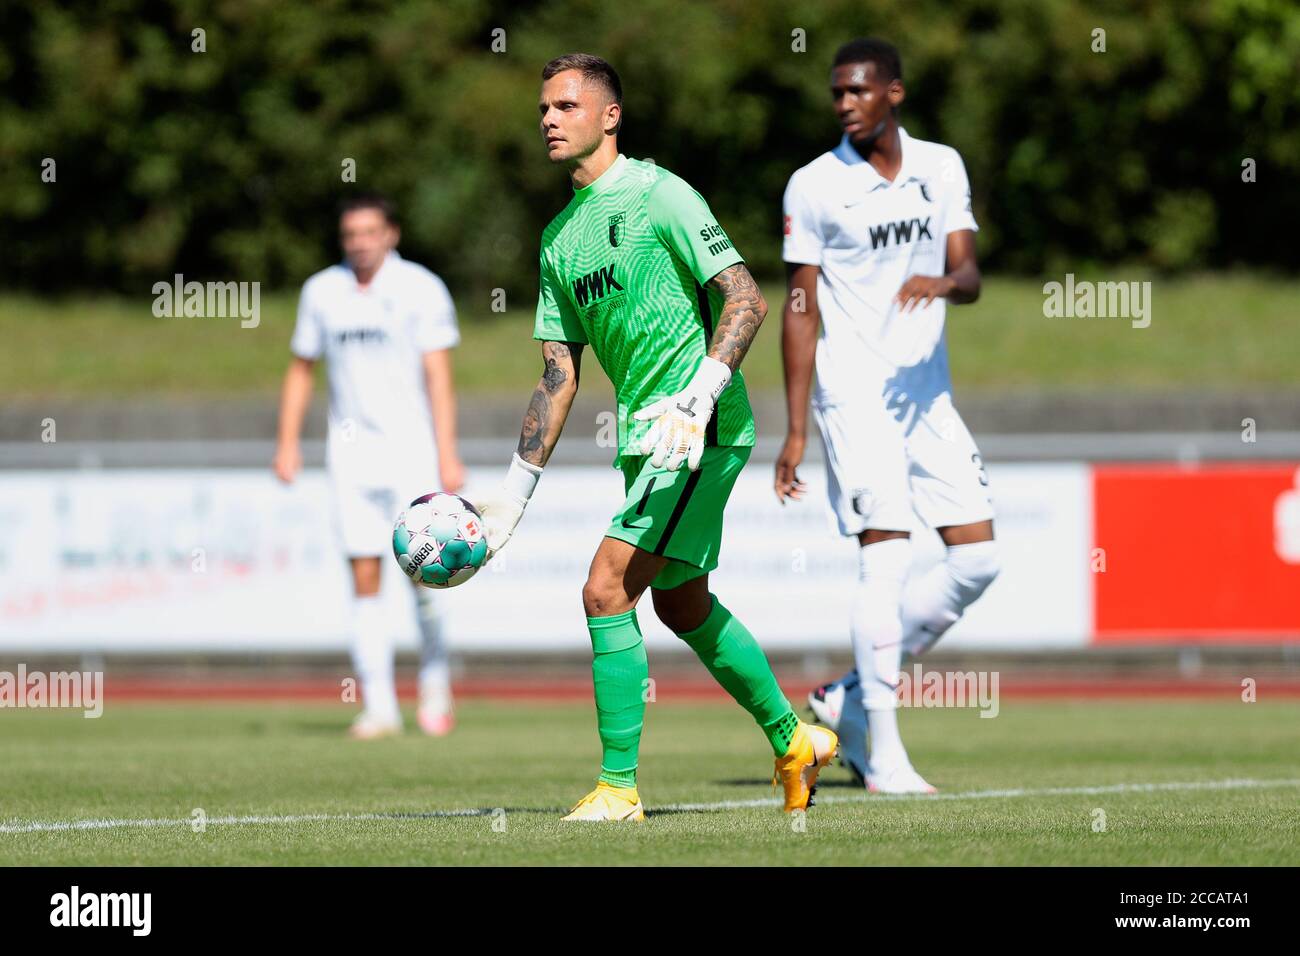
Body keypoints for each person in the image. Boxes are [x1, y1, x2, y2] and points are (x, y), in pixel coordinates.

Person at [475, 53, 838, 821]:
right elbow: (556, 379)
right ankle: (793, 739)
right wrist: (511, 500)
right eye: (543, 108)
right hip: (646, 440)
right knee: (680, 602)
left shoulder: (659, 192)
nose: (548, 119)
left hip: (699, 428)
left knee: (605, 588)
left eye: (566, 106)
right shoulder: (557, 242)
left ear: (609, 116)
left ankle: (618, 788)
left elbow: (744, 297)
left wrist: (698, 399)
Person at [776, 38, 1000, 793]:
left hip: (927, 395)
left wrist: (942, 284)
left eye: (859, 91)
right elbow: (799, 306)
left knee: (978, 559)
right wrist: (797, 427)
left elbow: (969, 273)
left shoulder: (941, 166)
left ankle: (847, 700)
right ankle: (884, 755)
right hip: (855, 395)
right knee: (888, 557)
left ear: (893, 93)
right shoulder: (812, 186)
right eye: (837, 92)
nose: (845, 103)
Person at [274, 193, 464, 739]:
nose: (360, 242)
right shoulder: (322, 292)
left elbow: (439, 376)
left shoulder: (420, 288)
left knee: (427, 578)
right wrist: (288, 442)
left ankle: (435, 688)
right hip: (351, 460)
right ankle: (379, 706)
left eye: (370, 232)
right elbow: (301, 368)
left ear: (391, 234)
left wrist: (447, 454)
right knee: (363, 575)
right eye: (351, 234)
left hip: (413, 455)